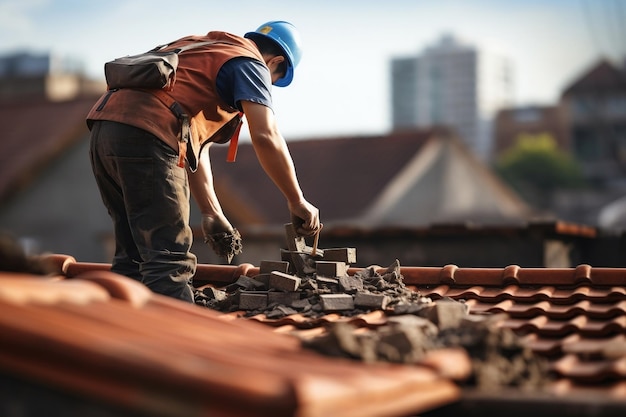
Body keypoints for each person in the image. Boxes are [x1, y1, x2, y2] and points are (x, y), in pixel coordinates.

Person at [86, 21, 321, 303]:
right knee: (168, 260)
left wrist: (211, 212)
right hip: (148, 135)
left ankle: (119, 331)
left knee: (133, 256)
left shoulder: (204, 49)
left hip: (105, 131)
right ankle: (175, 341)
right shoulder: (250, 62)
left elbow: (196, 144)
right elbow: (266, 135)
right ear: (276, 62)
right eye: (273, 80)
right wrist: (296, 200)